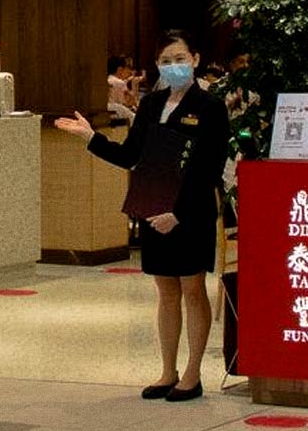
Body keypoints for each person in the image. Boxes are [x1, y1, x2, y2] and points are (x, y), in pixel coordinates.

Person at [55, 29, 229, 402]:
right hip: (152, 209)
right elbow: (131, 155)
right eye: (166, 61)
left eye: (180, 59)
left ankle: (194, 374)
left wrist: (177, 213)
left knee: (192, 288)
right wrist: (91, 138)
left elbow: (210, 168)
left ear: (195, 59)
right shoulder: (151, 106)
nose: (174, 67)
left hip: (189, 212)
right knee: (165, 290)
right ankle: (168, 370)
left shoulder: (210, 107)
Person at [106, 55, 136, 124]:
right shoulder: (119, 82)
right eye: (127, 68)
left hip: (108, 109)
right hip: (116, 109)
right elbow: (124, 102)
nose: (129, 71)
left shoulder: (108, 79)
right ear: (120, 69)